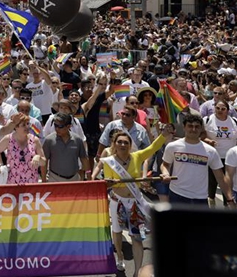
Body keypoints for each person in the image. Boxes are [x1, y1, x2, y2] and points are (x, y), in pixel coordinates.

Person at [100, 127, 173, 273]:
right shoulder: (109, 161)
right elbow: (109, 182)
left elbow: (153, 148)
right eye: (119, 142)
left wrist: (163, 136)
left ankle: (137, 271)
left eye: (125, 142)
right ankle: (119, 256)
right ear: (114, 144)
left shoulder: (137, 156)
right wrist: (109, 182)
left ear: (129, 144)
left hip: (134, 202)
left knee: (136, 237)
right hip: (117, 201)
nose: (122, 145)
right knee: (117, 231)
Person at [161, 114, 236, 206]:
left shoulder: (211, 151)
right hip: (177, 195)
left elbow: (220, 177)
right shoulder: (172, 146)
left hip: (200, 198)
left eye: (197, 127)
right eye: (190, 126)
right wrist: (165, 173)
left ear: (201, 129)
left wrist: (229, 199)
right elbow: (165, 164)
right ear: (184, 127)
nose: (193, 129)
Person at [201, 99, 237, 207]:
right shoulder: (207, 120)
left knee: (228, 183)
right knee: (212, 183)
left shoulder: (234, 121)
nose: (220, 111)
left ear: (227, 110)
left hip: (230, 158)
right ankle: (211, 207)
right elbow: (201, 136)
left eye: (223, 109)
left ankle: (228, 206)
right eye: (217, 108)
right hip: (213, 156)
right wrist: (208, 141)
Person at [0, 113, 46, 184]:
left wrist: (38, 157)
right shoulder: (8, 139)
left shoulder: (35, 140)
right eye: (23, 125)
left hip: (31, 182)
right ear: (16, 127)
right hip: (12, 182)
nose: (27, 127)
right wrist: (1, 165)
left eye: (28, 124)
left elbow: (44, 162)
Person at [43, 113, 91, 182]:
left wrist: (89, 176)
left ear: (68, 126)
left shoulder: (77, 140)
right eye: (55, 125)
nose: (57, 128)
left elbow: (84, 159)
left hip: (74, 179)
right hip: (54, 179)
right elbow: (45, 160)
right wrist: (44, 179)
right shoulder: (49, 140)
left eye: (60, 126)